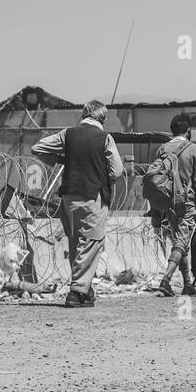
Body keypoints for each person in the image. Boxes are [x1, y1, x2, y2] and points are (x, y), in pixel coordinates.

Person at [32, 100, 123, 308]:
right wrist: (103, 173)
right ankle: (76, 292)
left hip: (69, 197)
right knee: (91, 242)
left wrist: (61, 159)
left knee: (76, 242)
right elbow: (116, 171)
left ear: (84, 114)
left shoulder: (68, 134)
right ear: (103, 118)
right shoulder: (105, 138)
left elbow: (37, 148)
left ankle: (86, 290)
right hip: (93, 196)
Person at [151, 115, 196, 297]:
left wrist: (155, 208)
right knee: (182, 241)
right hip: (187, 202)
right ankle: (166, 280)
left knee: (179, 241)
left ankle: (186, 283)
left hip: (168, 203)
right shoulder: (194, 149)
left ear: (172, 130)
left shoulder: (162, 149)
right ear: (188, 130)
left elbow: (156, 178)